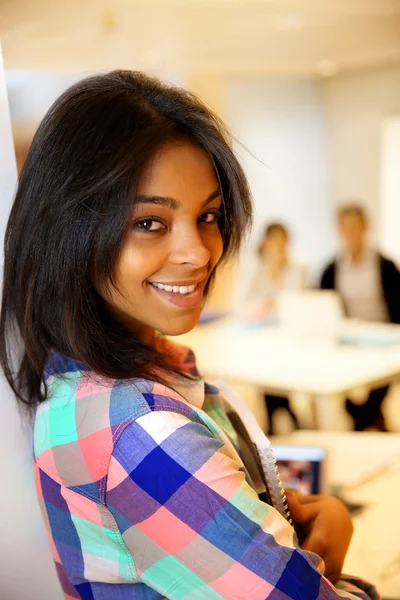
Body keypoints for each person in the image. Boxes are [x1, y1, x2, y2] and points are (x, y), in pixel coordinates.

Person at [0, 71, 378, 600]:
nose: (199, 252)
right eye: (150, 222)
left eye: (209, 216)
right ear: (70, 229)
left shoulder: (82, 381)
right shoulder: (141, 432)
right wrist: (335, 543)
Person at [321, 203, 400, 431]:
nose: (351, 233)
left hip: (384, 338)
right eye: (346, 228)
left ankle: (363, 419)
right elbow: (325, 305)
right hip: (348, 338)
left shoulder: (385, 266)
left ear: (366, 228)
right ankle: (367, 417)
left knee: (383, 377)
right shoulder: (332, 268)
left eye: (356, 227)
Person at [246, 223, 306, 434]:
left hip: (291, 337)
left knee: (278, 373)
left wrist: (271, 304)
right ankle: (283, 414)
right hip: (264, 336)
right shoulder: (258, 269)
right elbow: (247, 304)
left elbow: (299, 303)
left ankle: (283, 414)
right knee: (266, 372)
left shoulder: (298, 269)